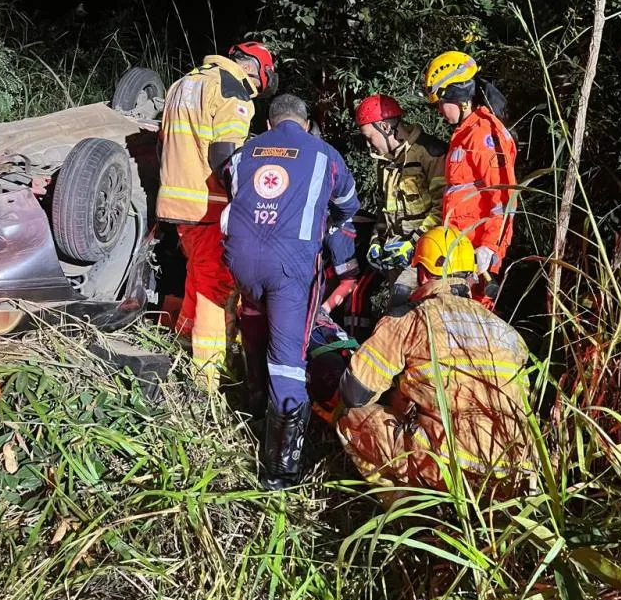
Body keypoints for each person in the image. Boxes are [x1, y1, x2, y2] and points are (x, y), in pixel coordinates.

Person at [222, 93, 359, 489]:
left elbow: (232, 193)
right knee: (288, 360)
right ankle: (280, 470)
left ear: (268, 124)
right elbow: (349, 206)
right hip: (289, 268)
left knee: (253, 321)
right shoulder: (324, 154)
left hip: (242, 262)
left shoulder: (245, 152)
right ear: (305, 124)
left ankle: (252, 409)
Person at [335, 226, 534, 496]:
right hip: (512, 472)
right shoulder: (504, 330)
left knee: (351, 418)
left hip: (449, 468)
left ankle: (407, 511)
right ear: (468, 275)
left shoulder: (411, 319)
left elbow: (354, 392)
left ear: (423, 273)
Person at [157, 41, 277, 391]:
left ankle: (181, 346)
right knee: (215, 290)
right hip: (210, 203)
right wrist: (248, 202)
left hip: (180, 203)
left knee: (197, 278)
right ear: (257, 71)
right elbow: (227, 154)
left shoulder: (185, 82)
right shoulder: (232, 90)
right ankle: (208, 380)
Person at [423, 51, 517, 308]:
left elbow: (504, 199)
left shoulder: (485, 134)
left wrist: (489, 248)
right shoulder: (462, 135)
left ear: (458, 97)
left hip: (478, 259)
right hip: (458, 255)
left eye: (441, 103)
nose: (439, 111)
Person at [354, 94, 446, 308]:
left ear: (385, 127)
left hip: (427, 261)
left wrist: (413, 242)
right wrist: (376, 241)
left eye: (370, 138)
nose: (369, 146)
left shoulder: (430, 153)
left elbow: (443, 209)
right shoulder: (384, 162)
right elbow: (383, 208)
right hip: (395, 259)